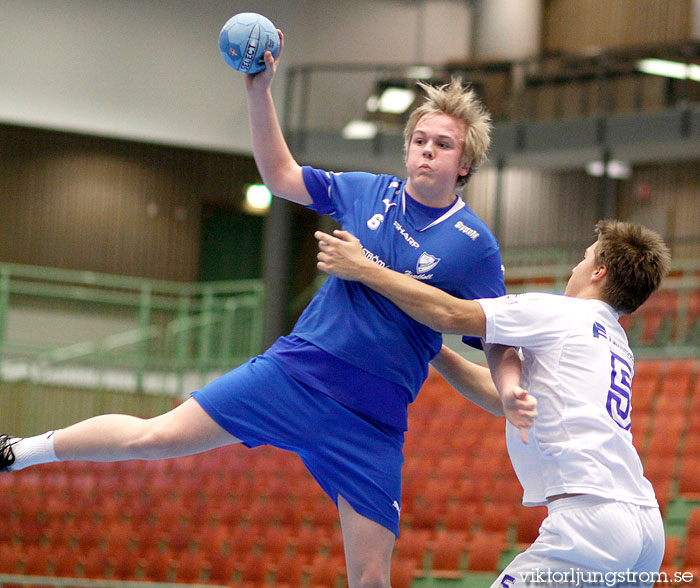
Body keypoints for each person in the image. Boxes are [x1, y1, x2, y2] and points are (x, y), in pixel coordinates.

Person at [0, 30, 535, 588]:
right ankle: (19, 450)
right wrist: (259, 90)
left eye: (441, 144)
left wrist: (511, 385)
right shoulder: (366, 192)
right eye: (419, 139)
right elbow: (280, 176)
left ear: (465, 163)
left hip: (371, 424)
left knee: (371, 579)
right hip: (295, 374)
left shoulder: (475, 245)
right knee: (153, 438)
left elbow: (495, 336)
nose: (426, 150)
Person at [314, 219, 671, 586]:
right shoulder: (614, 340)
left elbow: (451, 314)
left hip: (591, 521)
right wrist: (432, 351)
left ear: (598, 271)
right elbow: (499, 395)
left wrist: (365, 269)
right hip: (642, 524)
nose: (574, 268)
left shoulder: (563, 313)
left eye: (584, 259)